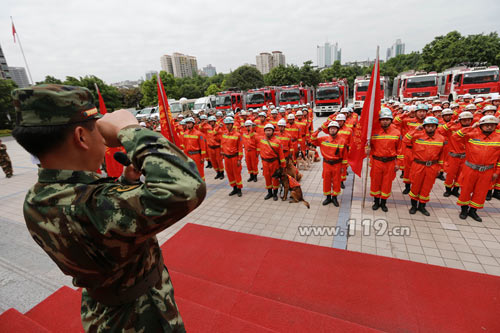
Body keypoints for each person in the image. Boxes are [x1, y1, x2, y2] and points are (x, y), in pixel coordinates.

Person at [11, 84, 206, 332]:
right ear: (81, 137)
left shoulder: (36, 199)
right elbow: (186, 186)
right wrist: (130, 129)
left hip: (102, 308)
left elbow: (104, 228)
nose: (104, 141)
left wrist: (127, 185)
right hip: (140, 316)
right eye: (98, 131)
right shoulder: (93, 204)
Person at [453, 115, 500, 222]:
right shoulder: (471, 134)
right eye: (486, 125)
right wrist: (471, 127)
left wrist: (497, 172)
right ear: (481, 125)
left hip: (487, 171)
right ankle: (464, 210)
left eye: (492, 125)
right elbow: (456, 136)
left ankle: (473, 211)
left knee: (481, 192)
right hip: (470, 169)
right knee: (465, 190)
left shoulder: (498, 138)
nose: (489, 127)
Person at [403, 116, 446, 216]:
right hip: (418, 165)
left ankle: (422, 207)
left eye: (432, 126)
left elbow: (442, 155)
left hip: (432, 167)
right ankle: (414, 206)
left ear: (436, 127)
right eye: (428, 126)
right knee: (415, 187)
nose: (430, 128)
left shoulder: (441, 138)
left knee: (427, 187)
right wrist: (414, 130)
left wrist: (440, 168)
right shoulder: (417, 136)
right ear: (424, 126)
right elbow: (405, 140)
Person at [366, 108, 401, 212]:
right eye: (383, 119)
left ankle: (383, 203)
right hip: (377, 161)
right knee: (375, 182)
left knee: (387, 183)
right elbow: (368, 147)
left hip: (390, 163)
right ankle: (376, 202)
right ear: (380, 120)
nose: (385, 121)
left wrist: (398, 163)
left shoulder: (396, 133)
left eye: (387, 119)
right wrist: (366, 149)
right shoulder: (373, 132)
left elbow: (400, 150)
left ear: (391, 120)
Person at [311, 121, 347, 207]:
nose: (332, 130)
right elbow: (312, 139)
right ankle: (328, 197)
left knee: (336, 181)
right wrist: (318, 131)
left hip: (337, 164)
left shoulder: (342, 141)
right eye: (331, 128)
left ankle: (334, 198)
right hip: (326, 164)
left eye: (334, 128)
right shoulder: (324, 139)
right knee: (326, 181)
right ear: (328, 130)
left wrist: (343, 167)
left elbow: (345, 156)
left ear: (337, 130)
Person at [257, 124, 286, 200]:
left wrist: (283, 166)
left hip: (274, 163)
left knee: (275, 179)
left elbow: (281, 155)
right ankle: (269, 193)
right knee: (267, 178)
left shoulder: (278, 141)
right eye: (266, 130)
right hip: (265, 163)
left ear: (273, 131)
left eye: (269, 130)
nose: (268, 132)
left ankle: (275, 193)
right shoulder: (261, 139)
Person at [221, 117, 243, 197]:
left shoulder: (237, 135)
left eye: (229, 124)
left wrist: (239, 159)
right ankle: (234, 188)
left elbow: (240, 148)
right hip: (227, 158)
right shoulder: (224, 134)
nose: (227, 126)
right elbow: (223, 145)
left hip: (234, 157)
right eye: (226, 124)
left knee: (236, 173)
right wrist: (223, 154)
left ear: (232, 124)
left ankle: (239, 189)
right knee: (229, 173)